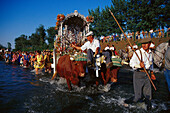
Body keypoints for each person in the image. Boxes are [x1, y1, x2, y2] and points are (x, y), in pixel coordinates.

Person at [125, 38, 153, 110]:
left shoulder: (150, 53)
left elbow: (151, 64)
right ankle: (126, 103)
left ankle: (149, 109)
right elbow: (131, 64)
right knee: (138, 96)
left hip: (147, 75)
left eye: (146, 43)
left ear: (149, 44)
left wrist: (152, 73)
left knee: (148, 95)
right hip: (138, 74)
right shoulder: (137, 52)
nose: (144, 45)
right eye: (143, 44)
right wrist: (139, 65)